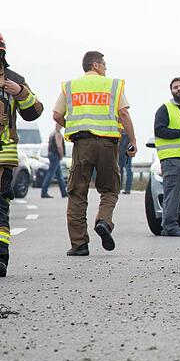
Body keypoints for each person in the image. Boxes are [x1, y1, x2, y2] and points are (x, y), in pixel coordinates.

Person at [53, 50, 136, 257]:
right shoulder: (112, 85)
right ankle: (103, 222)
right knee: (110, 189)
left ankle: (79, 244)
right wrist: (133, 141)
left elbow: (56, 115)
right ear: (97, 65)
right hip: (108, 145)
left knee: (77, 193)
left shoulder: (71, 86)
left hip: (82, 145)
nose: (106, 69)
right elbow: (123, 113)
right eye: (105, 65)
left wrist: (73, 126)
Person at [0, 33, 44, 277]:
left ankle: (0, 258)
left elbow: (34, 112)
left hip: (3, 157)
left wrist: (20, 93)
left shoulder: (14, 80)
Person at [153, 77, 180, 237]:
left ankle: (169, 226)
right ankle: (170, 226)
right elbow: (160, 130)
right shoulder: (165, 108)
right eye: (176, 87)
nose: (179, 89)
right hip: (171, 158)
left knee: (177, 192)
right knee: (173, 192)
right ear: (171, 90)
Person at [40, 123, 67, 198]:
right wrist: (61, 155)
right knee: (51, 174)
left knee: (59, 175)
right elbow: (59, 146)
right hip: (55, 155)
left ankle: (64, 192)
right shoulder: (58, 134)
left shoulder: (52, 133)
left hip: (52, 155)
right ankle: (44, 191)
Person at [118, 130, 134, 194]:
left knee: (127, 171)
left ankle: (127, 189)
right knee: (120, 171)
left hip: (127, 153)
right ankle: (119, 188)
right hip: (122, 153)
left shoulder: (127, 131)